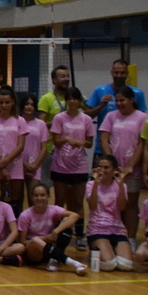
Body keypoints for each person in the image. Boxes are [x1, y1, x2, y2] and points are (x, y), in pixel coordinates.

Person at [99, 85, 147, 243]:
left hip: (132, 171)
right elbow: (104, 139)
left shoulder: (142, 118)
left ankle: (131, 239)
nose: (119, 104)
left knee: (131, 205)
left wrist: (130, 166)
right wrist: (112, 164)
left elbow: (141, 143)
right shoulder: (111, 116)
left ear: (131, 99)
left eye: (122, 100)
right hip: (114, 171)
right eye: (117, 101)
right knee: (114, 203)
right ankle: (115, 237)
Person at [50, 86, 95, 249]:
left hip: (79, 166)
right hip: (60, 165)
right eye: (69, 99)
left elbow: (89, 143)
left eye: (75, 99)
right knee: (59, 201)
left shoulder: (86, 119)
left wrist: (82, 142)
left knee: (77, 202)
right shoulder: (59, 118)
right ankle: (57, 232)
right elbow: (56, 142)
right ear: (66, 100)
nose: (72, 102)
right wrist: (67, 139)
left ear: (79, 101)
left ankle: (80, 234)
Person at [17, 183, 86, 273]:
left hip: (49, 247)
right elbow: (22, 242)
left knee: (66, 221)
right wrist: (46, 238)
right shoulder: (25, 215)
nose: (39, 198)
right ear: (32, 197)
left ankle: (54, 259)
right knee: (35, 240)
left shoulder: (53, 209)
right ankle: (74, 263)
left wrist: (56, 231)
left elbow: (75, 216)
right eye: (36, 196)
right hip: (34, 252)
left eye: (42, 195)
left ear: (48, 196)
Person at [86, 59, 147, 154]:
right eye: (116, 72)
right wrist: (100, 106)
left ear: (127, 73)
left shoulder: (137, 93)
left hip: (130, 150)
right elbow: (86, 117)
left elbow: (141, 123)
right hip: (103, 148)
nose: (119, 75)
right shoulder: (99, 91)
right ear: (111, 72)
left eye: (122, 73)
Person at [86, 154, 133, 271]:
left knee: (126, 265)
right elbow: (92, 206)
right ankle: (96, 249)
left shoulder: (122, 186)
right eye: (100, 167)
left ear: (114, 170)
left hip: (117, 229)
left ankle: (109, 248)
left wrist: (121, 184)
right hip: (97, 228)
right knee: (109, 265)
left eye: (106, 167)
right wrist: (96, 184)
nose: (102, 170)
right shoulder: (91, 184)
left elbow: (122, 207)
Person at [0, 88, 27, 209]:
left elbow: (20, 146)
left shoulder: (20, 120)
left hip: (15, 166)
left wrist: (5, 161)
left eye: (7, 102)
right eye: (1, 102)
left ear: (13, 102)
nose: (4, 105)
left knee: (14, 199)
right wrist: (1, 166)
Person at [19, 93, 50, 206]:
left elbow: (44, 147)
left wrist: (34, 165)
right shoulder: (16, 122)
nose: (29, 107)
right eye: (27, 104)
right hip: (17, 165)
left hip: (35, 167)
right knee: (17, 199)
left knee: (34, 199)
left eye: (32, 104)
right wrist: (24, 163)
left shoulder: (41, 124)